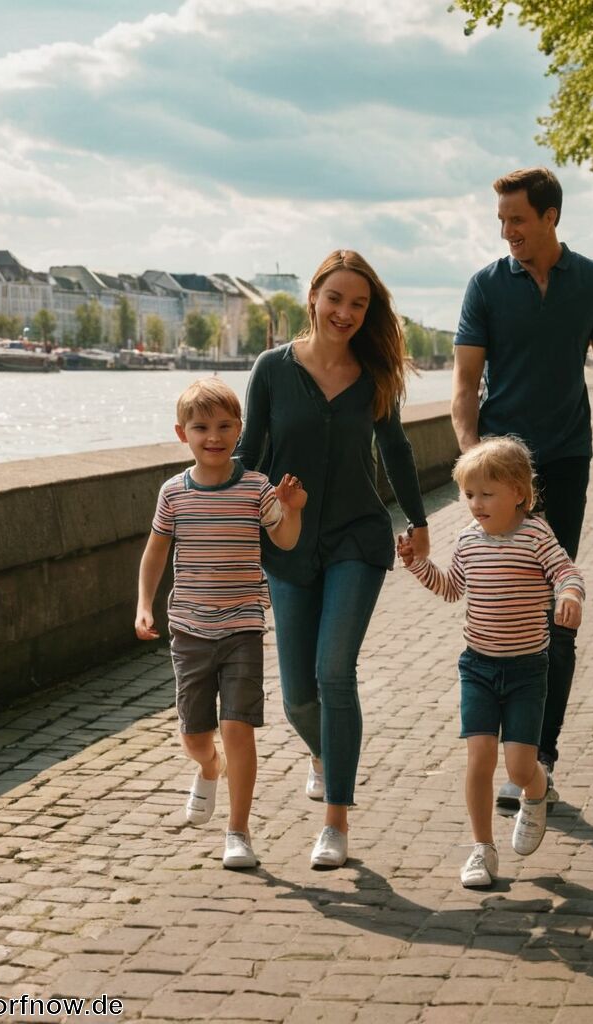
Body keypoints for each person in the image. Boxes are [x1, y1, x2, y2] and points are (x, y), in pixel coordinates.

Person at [451, 166, 593, 816]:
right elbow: (464, 385)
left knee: (557, 611)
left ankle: (539, 757)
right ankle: (511, 746)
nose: (508, 232)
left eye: (518, 220)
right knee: (501, 611)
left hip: (564, 463)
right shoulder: (485, 287)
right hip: (502, 470)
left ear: (551, 217)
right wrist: (472, 464)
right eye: (502, 221)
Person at [237, 249, 429, 869]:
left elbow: (395, 449)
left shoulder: (373, 377)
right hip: (287, 545)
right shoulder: (271, 369)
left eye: (359, 304)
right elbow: (247, 454)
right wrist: (211, 507)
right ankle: (327, 754)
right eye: (336, 299)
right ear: (314, 296)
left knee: (334, 673)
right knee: (296, 698)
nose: (345, 313)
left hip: (356, 538)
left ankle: (336, 821)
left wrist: (419, 521)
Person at [397, 437, 584, 888]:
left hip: (526, 671)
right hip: (477, 666)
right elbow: (451, 587)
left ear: (520, 493)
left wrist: (570, 595)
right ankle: (483, 849)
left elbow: (566, 572)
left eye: (487, 493)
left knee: (520, 767)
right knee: (479, 759)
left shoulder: (536, 535)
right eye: (469, 494)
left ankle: (535, 794)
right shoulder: (467, 540)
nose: (476, 504)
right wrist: (418, 565)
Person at [135, 377, 307, 869]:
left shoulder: (256, 489)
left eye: (225, 426)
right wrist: (144, 604)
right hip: (189, 629)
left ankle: (239, 831)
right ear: (181, 434)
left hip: (242, 627)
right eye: (201, 427)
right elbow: (155, 553)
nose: (214, 436)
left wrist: (291, 510)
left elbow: (286, 540)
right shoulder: (174, 494)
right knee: (195, 736)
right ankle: (209, 768)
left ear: (239, 430)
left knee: (238, 727)